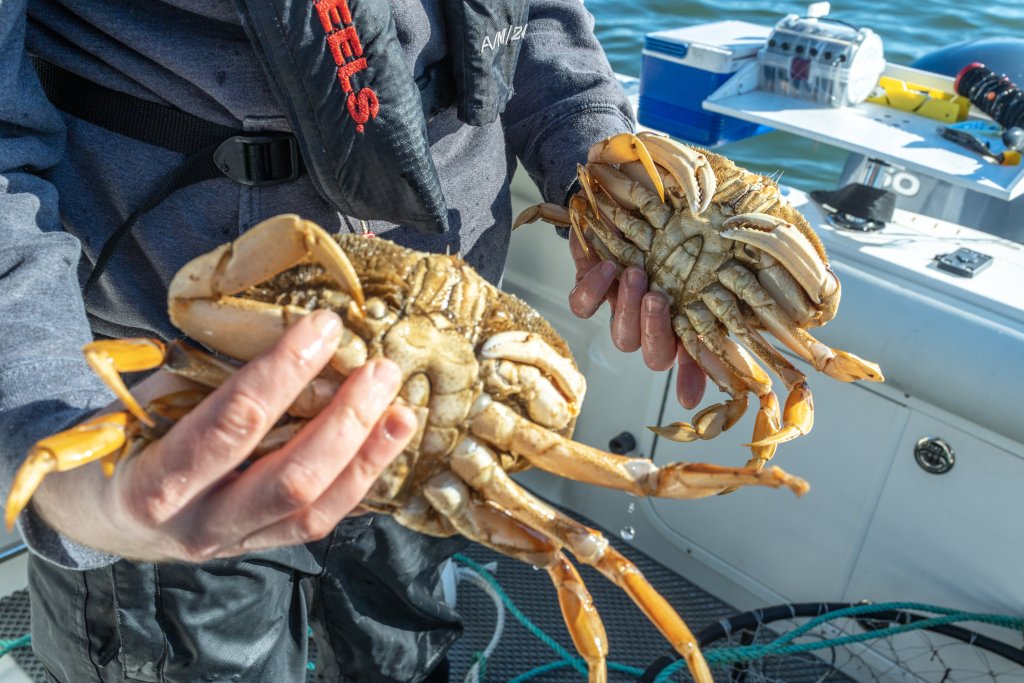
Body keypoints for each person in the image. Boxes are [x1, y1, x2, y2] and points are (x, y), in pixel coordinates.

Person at [0, 1, 705, 681]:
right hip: (188, 406)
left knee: (408, 649)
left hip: (449, 406)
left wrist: (605, 166)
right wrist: (49, 422)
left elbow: (537, 19)